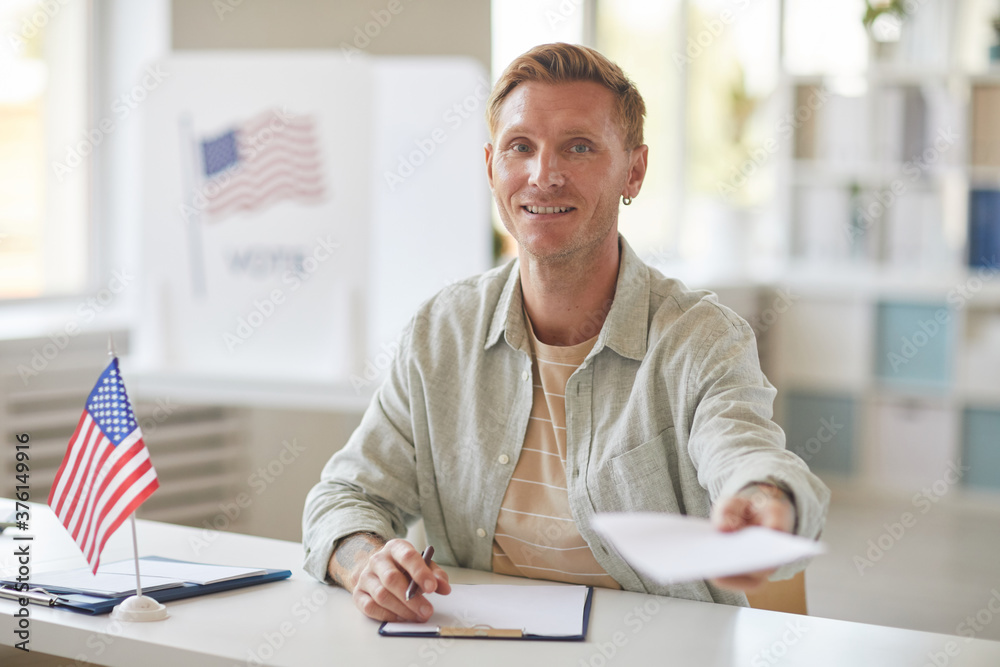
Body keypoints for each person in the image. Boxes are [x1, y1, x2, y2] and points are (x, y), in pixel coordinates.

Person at [302, 42, 829, 624]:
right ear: (490, 167)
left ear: (634, 169)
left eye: (578, 147)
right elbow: (343, 498)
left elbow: (748, 455)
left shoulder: (699, 339)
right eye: (519, 147)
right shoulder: (440, 334)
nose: (543, 175)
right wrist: (365, 564)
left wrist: (762, 500)